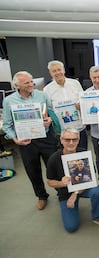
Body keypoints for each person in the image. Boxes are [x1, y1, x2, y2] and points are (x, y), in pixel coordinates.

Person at [2, 71, 58, 210]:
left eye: (32, 81)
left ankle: (61, 192)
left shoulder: (42, 95)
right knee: (33, 171)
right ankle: (42, 196)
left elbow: (50, 113)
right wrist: (15, 139)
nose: (31, 84)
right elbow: (7, 125)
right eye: (27, 82)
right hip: (26, 142)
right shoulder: (9, 101)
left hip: (45, 138)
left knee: (54, 166)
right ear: (17, 85)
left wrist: (49, 120)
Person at [46, 128, 99, 232]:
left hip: (83, 188)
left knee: (97, 191)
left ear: (79, 140)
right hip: (65, 192)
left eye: (74, 139)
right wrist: (61, 183)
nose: (71, 143)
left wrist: (75, 194)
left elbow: (90, 178)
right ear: (61, 140)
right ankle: (70, 206)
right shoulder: (54, 158)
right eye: (67, 140)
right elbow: (49, 181)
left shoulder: (84, 154)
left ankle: (97, 216)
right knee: (71, 227)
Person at [43, 60, 87, 149]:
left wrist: (81, 104)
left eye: (59, 70)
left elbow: (84, 100)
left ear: (64, 70)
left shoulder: (75, 83)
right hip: (62, 131)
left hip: (79, 127)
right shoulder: (47, 89)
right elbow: (48, 111)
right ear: (50, 73)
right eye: (54, 71)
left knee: (83, 154)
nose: (57, 73)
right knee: (66, 157)